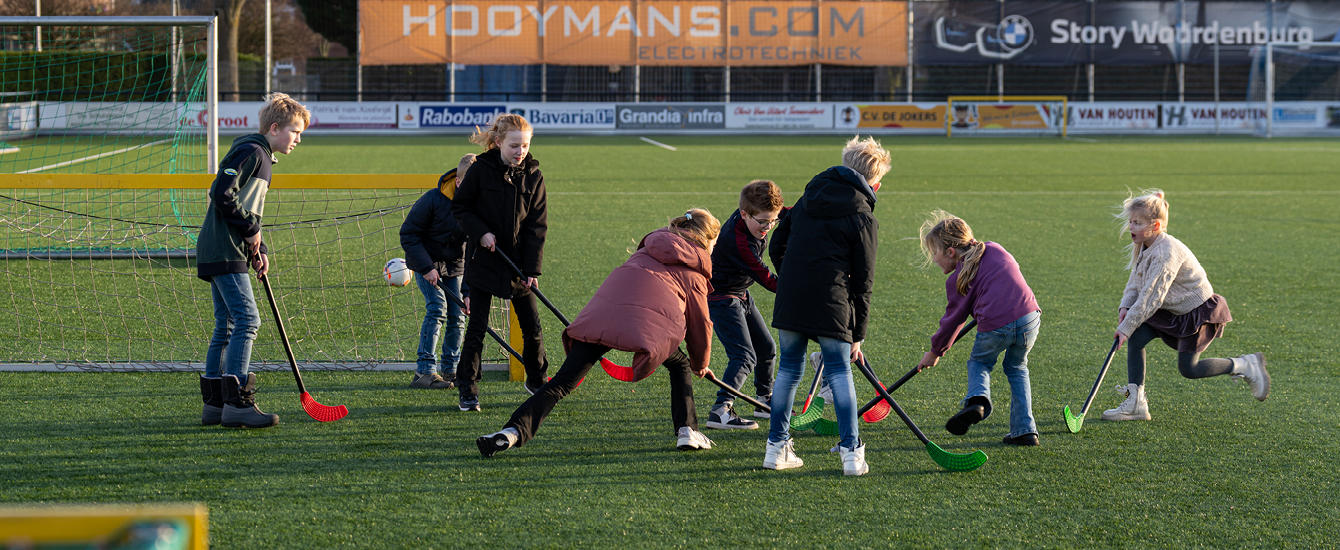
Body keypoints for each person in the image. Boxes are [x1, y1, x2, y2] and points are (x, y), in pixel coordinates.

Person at [477, 209, 721, 456]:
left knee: (562, 382)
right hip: (646, 326)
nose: (714, 249)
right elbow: (701, 324)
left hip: (603, 315)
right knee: (679, 364)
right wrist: (700, 364)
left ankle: (512, 432)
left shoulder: (649, 248)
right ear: (704, 239)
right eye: (714, 243)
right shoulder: (695, 272)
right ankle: (687, 431)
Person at [764, 136, 889, 476]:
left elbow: (776, 245)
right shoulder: (864, 216)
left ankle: (776, 449)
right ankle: (851, 453)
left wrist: (791, 276)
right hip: (832, 302)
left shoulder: (807, 199)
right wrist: (858, 334)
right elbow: (864, 282)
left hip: (792, 297)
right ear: (874, 182)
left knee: (788, 371)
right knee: (839, 370)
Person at [1102, 189, 1269, 421]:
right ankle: (1136, 404)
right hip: (1172, 308)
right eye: (1130, 221)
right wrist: (1125, 306)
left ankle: (1244, 364)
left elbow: (1152, 296)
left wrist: (1125, 327)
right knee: (1138, 336)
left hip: (1194, 312)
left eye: (1137, 223)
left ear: (1156, 226)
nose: (1131, 226)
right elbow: (1137, 278)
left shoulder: (1165, 253)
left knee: (1189, 369)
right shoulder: (1147, 243)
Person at [195, 93, 309, 429]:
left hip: (223, 248)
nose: (298, 139)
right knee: (248, 320)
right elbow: (221, 193)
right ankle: (238, 402)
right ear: (274, 128)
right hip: (224, 249)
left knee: (226, 325)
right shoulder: (253, 151)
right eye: (295, 131)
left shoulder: (259, 153)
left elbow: (246, 209)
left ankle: (215, 405)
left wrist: (259, 248)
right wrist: (250, 229)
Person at [916, 212, 1042, 446]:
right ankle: (1025, 431)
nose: (934, 259)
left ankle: (977, 402)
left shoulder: (956, 280)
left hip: (997, 326)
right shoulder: (995, 248)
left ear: (950, 252)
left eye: (935, 253)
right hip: (1029, 318)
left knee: (979, 363)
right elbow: (1012, 271)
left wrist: (935, 352)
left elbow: (952, 321)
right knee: (1017, 368)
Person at [451, 114, 549, 412]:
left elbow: (536, 226)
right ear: (498, 143)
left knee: (532, 326)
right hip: (484, 261)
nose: (520, 152)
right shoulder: (480, 170)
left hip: (518, 265)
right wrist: (480, 233)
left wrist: (532, 269)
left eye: (524, 146)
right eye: (514, 146)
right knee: (477, 328)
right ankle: (468, 389)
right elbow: (461, 208)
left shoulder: (534, 175)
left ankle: (536, 378)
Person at [704, 180, 787, 430]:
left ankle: (764, 400)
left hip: (740, 292)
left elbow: (789, 212)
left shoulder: (754, 214)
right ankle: (721, 411)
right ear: (744, 214)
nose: (768, 227)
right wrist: (802, 288)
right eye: (763, 222)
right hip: (722, 298)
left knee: (766, 347)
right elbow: (769, 280)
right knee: (744, 356)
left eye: (773, 221)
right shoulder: (740, 243)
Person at [400, 154, 476, 390]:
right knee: (437, 309)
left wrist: (468, 290)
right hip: (426, 261)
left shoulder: (477, 206)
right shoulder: (433, 199)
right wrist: (426, 268)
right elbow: (409, 235)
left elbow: (473, 250)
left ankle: (451, 369)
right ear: (459, 182)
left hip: (455, 265)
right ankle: (424, 372)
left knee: (459, 313)